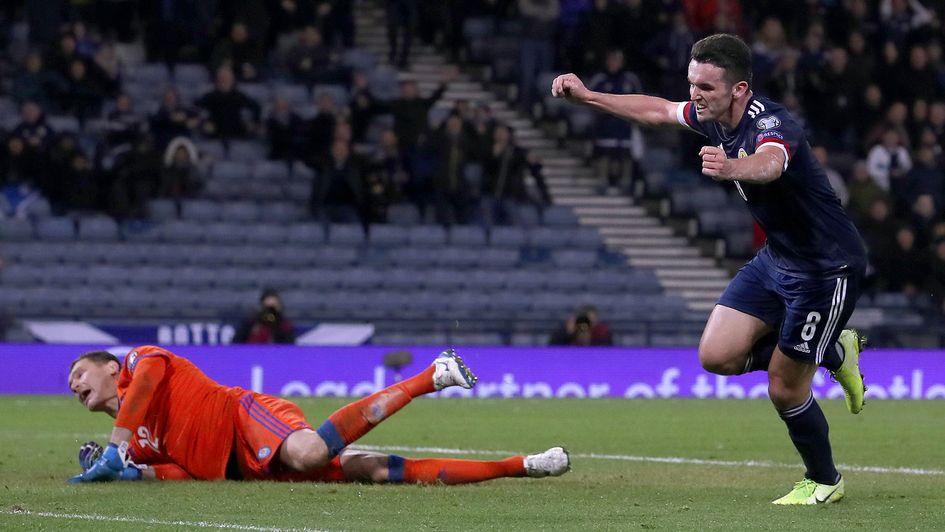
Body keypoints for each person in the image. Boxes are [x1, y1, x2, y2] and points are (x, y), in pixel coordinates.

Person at [551, 33, 868, 505]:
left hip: (826, 270)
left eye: (707, 87)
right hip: (778, 258)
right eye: (692, 83)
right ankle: (832, 352)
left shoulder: (773, 122)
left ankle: (825, 480)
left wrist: (732, 168)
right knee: (716, 356)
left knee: (783, 387)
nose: (695, 95)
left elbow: (772, 164)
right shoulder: (711, 117)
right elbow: (658, 110)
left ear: (739, 89)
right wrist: (590, 96)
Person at [66, 346, 570, 483]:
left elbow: (147, 385)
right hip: (247, 469)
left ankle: (432, 375)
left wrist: (115, 447)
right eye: (70, 388)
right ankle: (525, 464)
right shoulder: (139, 441)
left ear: (109, 367)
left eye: (79, 377)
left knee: (309, 453)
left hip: (246, 417)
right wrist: (135, 472)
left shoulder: (139, 362)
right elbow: (180, 468)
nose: (75, 388)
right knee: (371, 471)